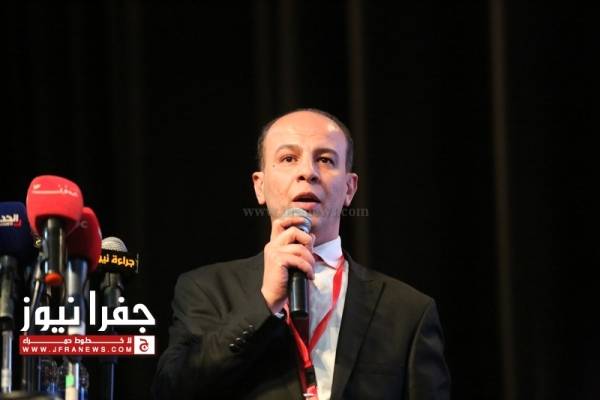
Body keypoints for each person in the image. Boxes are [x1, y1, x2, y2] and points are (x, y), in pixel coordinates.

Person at [151, 109, 450, 399]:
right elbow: (172, 389)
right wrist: (265, 302)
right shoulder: (205, 289)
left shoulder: (408, 311)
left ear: (349, 188)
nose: (308, 172)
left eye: (325, 159)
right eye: (288, 158)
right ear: (260, 186)